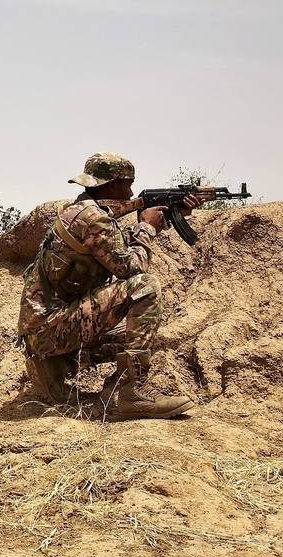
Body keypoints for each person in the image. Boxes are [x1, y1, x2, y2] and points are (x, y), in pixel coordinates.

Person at [17, 152, 199, 420]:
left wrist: (169, 217)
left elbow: (114, 246)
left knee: (141, 332)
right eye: (129, 183)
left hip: (46, 328)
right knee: (145, 288)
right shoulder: (94, 218)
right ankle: (133, 393)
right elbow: (130, 269)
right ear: (113, 184)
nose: (132, 191)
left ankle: (57, 365)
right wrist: (146, 228)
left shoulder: (79, 211)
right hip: (49, 329)